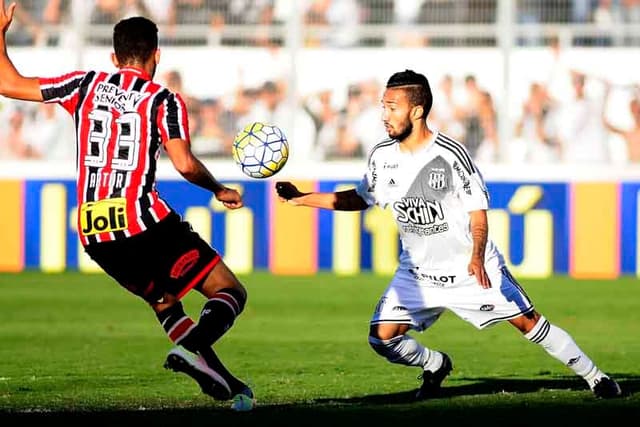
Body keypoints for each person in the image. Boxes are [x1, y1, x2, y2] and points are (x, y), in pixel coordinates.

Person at [275, 69, 623, 400]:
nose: (384, 114)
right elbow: (359, 197)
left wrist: (476, 256)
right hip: (418, 274)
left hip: (469, 269)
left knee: (529, 323)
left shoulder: (450, 154)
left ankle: (596, 377)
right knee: (381, 338)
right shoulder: (382, 157)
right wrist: (301, 198)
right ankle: (435, 364)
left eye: (391, 107)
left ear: (417, 110)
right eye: (383, 106)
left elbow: (478, 216)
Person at [0, 3, 254, 409]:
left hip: (94, 230)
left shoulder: (82, 84)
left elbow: (7, 83)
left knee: (166, 303)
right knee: (229, 291)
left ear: (114, 58)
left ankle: (222, 378)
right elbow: (185, 163)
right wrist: (218, 188)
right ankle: (195, 352)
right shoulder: (163, 100)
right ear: (157, 54)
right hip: (142, 220)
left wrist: (0, 33)